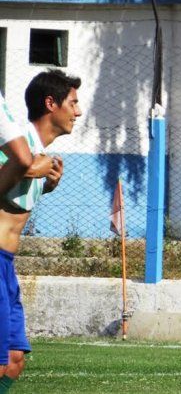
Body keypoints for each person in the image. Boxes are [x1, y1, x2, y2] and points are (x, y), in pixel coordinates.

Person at [0, 70, 81, 393]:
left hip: (7, 264)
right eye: (73, 103)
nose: (78, 111)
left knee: (15, 359)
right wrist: (28, 168)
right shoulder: (18, 144)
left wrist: (44, 186)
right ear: (51, 104)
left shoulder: (40, 155)